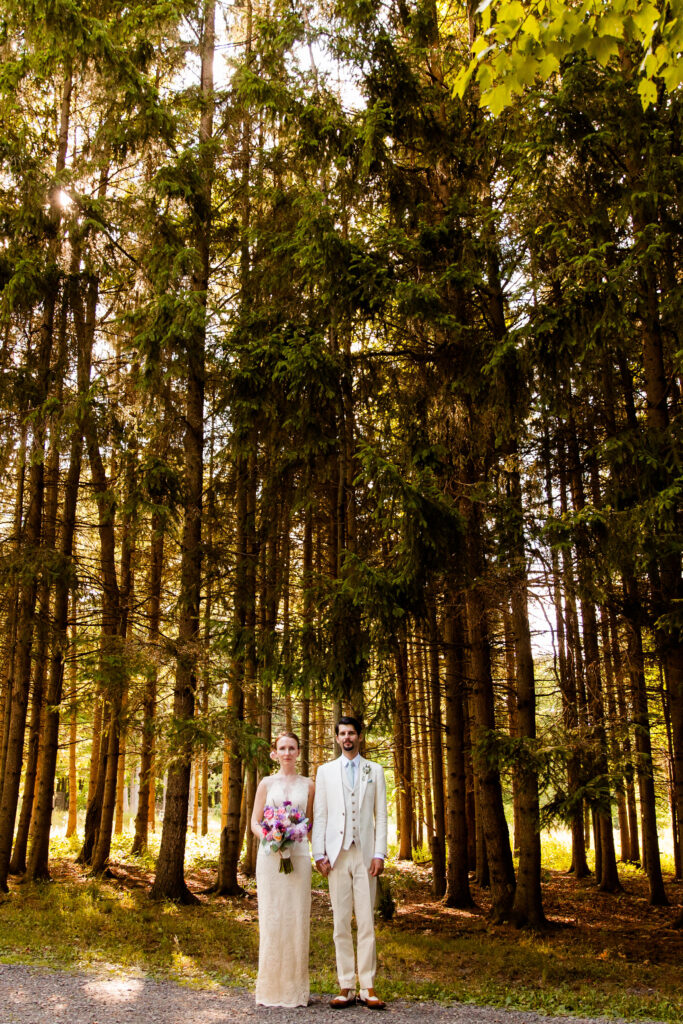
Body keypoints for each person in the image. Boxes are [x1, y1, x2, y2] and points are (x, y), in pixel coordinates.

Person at [312, 716, 388, 1010]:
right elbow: (321, 815)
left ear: (359, 736)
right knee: (340, 922)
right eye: (342, 733)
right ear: (336, 738)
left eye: (351, 733)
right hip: (337, 855)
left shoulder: (375, 770)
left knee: (367, 921)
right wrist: (319, 853)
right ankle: (346, 985)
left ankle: (368, 986)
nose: (347, 737)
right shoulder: (325, 771)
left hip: (365, 855)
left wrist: (379, 854)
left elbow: (380, 815)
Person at [251, 731, 315, 1007]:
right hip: (270, 858)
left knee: (296, 917)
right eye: (282, 748)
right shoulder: (266, 783)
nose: (287, 752)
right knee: (272, 918)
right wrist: (271, 836)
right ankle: (270, 989)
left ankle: (294, 989)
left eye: (292, 748)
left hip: (298, 857)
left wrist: (319, 852)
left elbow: (311, 825)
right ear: (275, 753)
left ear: (299, 752)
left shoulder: (309, 785)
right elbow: (254, 822)